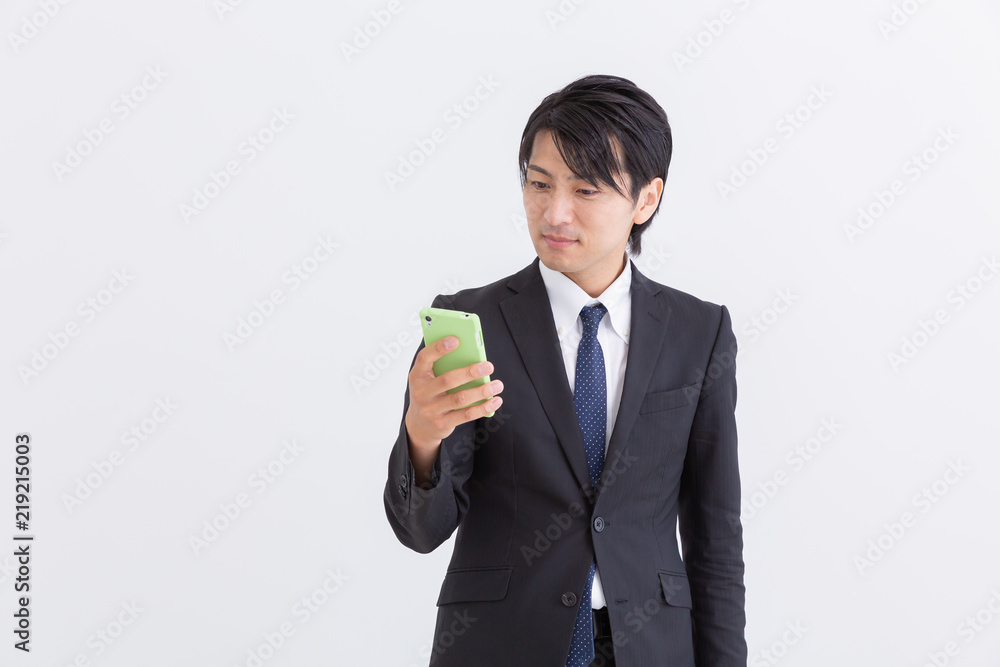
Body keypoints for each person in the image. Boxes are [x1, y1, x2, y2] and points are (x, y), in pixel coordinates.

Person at [383, 73, 746, 666]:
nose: (554, 212)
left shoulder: (698, 333)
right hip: (500, 646)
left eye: (586, 189)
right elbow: (421, 531)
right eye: (539, 183)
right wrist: (422, 439)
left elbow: (716, 540)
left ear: (646, 200)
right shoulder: (471, 324)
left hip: (650, 648)